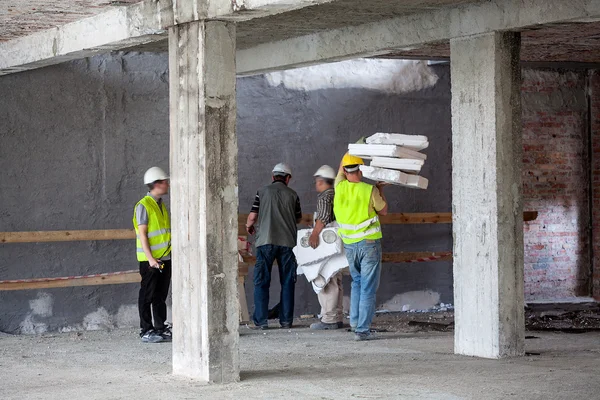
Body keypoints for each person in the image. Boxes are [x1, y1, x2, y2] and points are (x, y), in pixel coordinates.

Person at [333, 154, 388, 341]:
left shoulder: (338, 187)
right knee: (368, 288)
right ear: (361, 170)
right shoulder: (369, 190)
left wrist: (350, 150)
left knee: (356, 282)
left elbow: (341, 167)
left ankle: (355, 323)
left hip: (349, 245)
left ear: (345, 171)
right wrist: (380, 189)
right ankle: (362, 330)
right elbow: (384, 211)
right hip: (369, 245)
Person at [246, 163, 302, 329]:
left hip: (265, 241)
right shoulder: (293, 195)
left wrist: (249, 226)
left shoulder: (262, 192)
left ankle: (261, 321)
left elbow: (252, 217)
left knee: (262, 281)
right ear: (288, 178)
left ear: (273, 176)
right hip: (288, 243)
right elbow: (298, 218)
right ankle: (286, 321)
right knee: (287, 282)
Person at [133, 166, 172, 343]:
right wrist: (150, 259)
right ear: (156, 184)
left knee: (160, 296)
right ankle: (146, 330)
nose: (168, 184)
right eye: (165, 181)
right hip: (151, 260)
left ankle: (159, 327)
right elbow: (143, 234)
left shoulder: (161, 205)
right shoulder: (143, 205)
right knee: (147, 295)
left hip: (164, 258)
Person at [308, 165, 345, 330]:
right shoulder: (338, 194)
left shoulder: (325, 197)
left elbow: (322, 217)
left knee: (325, 278)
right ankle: (337, 316)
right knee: (336, 278)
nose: (316, 184)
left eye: (317, 181)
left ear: (322, 181)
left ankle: (328, 319)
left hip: (327, 242)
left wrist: (314, 234)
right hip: (339, 241)